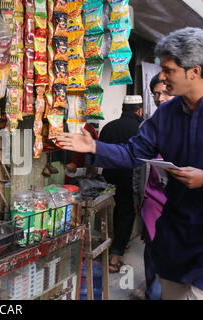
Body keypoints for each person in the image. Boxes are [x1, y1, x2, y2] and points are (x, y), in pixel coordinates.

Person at [57, 27, 203, 300]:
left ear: (193, 72)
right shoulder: (166, 114)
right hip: (174, 237)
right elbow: (134, 152)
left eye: (169, 70)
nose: (162, 77)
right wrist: (94, 147)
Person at [137, 75, 175, 300]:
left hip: (180, 204)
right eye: (156, 94)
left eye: (166, 93)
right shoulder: (147, 125)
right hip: (152, 202)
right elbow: (137, 166)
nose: (160, 99)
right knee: (153, 254)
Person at [98, 95, 144, 273]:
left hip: (109, 178)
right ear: (138, 110)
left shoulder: (109, 126)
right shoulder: (141, 128)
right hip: (129, 180)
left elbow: (100, 153)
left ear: (123, 109)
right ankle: (114, 259)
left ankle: (117, 244)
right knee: (126, 213)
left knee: (117, 210)